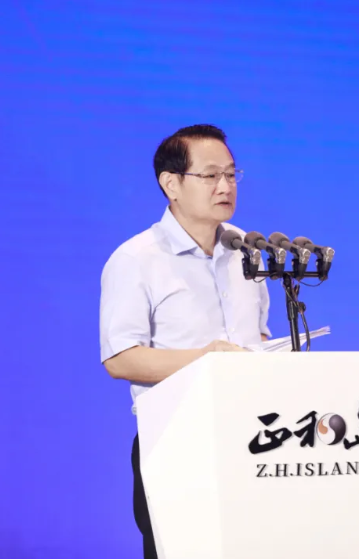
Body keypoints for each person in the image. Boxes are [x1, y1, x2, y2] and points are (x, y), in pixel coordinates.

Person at [99, 124, 271, 559]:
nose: (225, 186)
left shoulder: (247, 251)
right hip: (178, 441)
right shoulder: (137, 259)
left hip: (256, 437)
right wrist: (205, 360)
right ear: (171, 184)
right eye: (210, 175)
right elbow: (120, 359)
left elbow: (258, 336)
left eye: (231, 174)